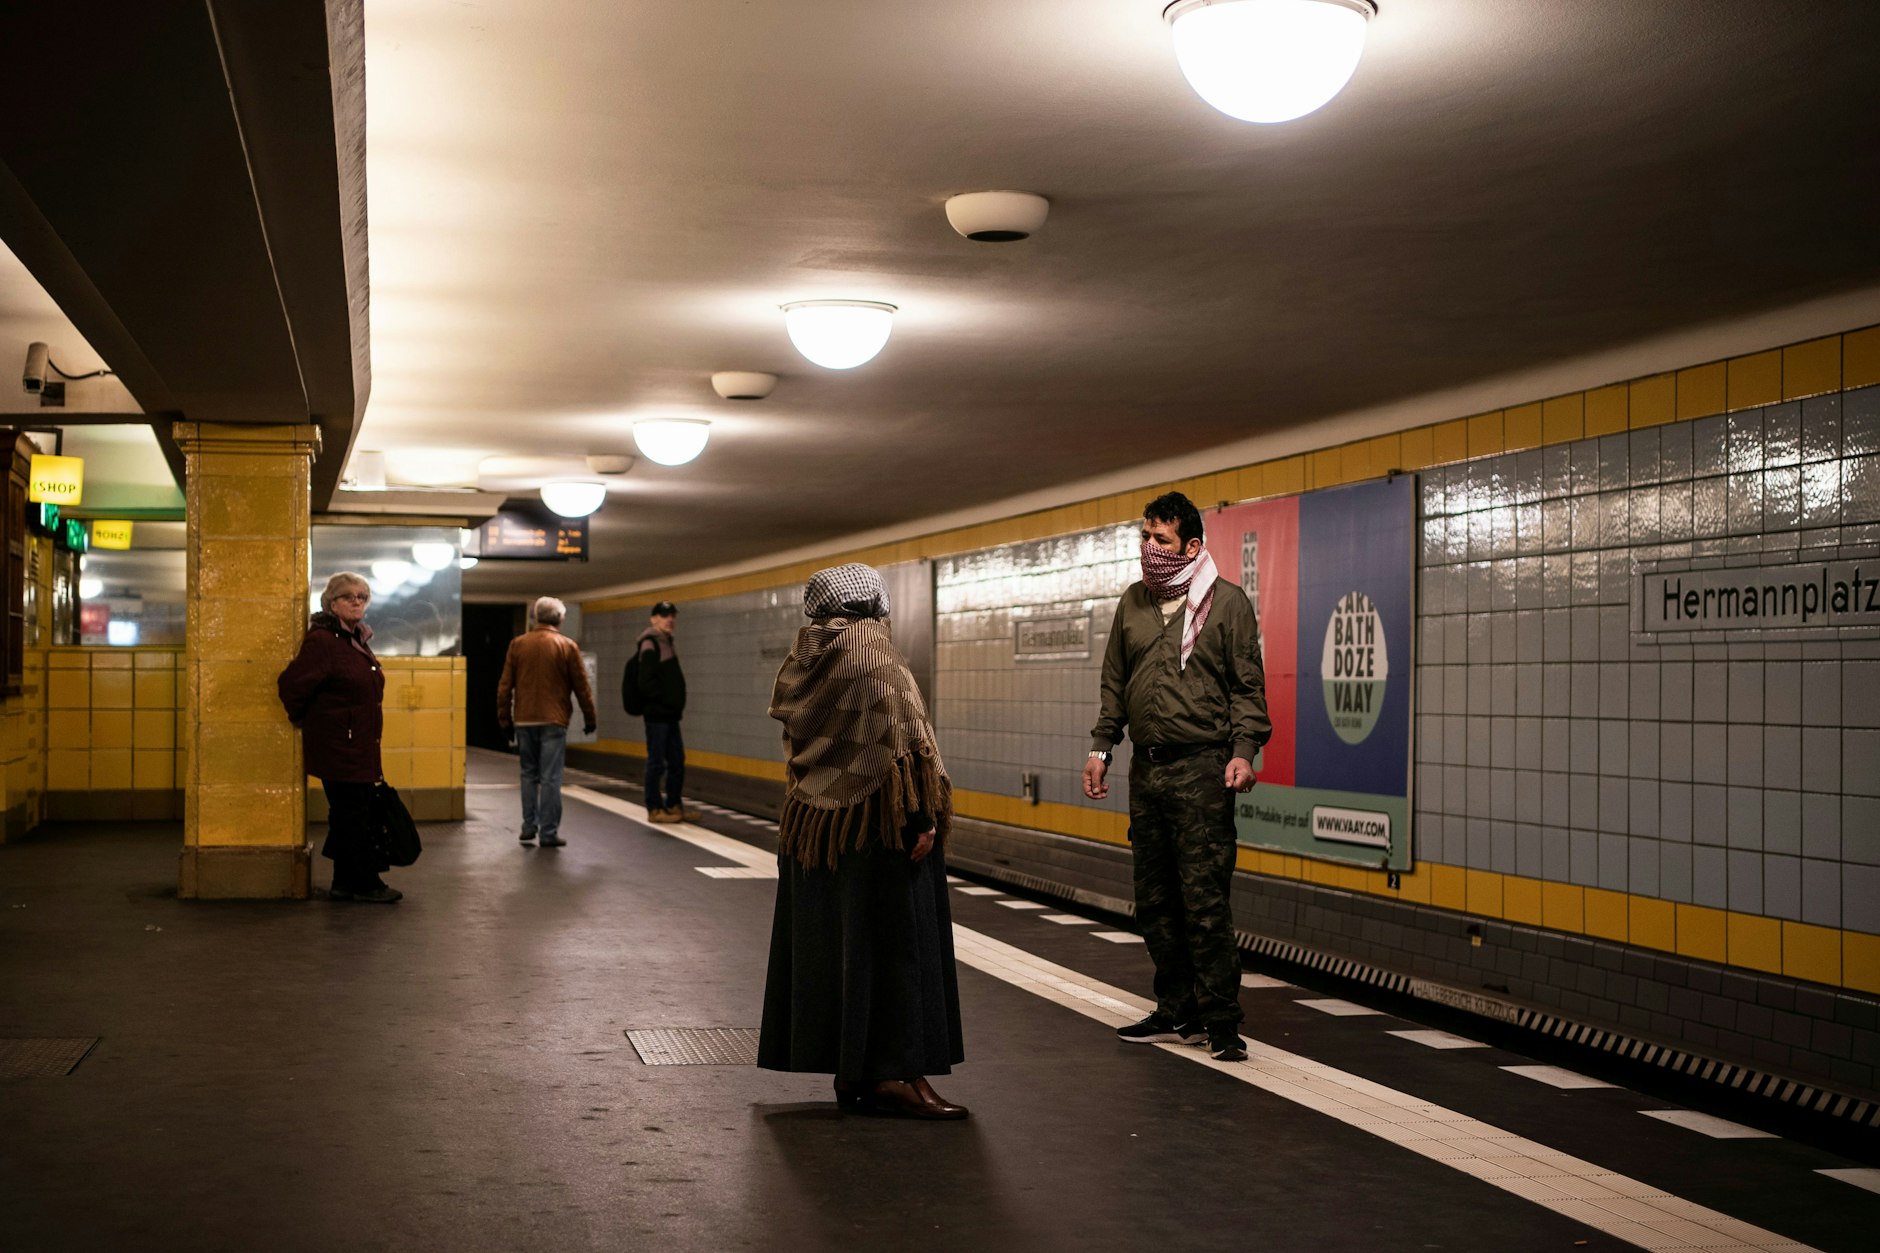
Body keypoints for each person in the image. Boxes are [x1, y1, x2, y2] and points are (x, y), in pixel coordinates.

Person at [757, 564, 967, 1119]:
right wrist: (921, 818)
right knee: (897, 948)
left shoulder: (806, 654)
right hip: (878, 826)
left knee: (842, 949)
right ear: (873, 602)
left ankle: (853, 1074)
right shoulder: (871, 652)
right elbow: (901, 740)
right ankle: (898, 1075)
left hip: (819, 829)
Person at [1083, 491, 1271, 1062]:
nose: (1149, 548)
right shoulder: (1133, 604)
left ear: (1192, 545)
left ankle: (1221, 1022)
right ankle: (1176, 1009)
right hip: (1148, 770)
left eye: (1160, 539)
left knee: (1205, 901)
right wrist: (1102, 748)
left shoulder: (1228, 604)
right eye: (1144, 537)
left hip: (1203, 769)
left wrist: (1244, 751)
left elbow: (1247, 686)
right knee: (1155, 900)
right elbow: (1114, 682)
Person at [277, 572, 399, 903]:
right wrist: (305, 719)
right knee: (354, 814)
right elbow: (292, 684)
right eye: (349, 596)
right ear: (332, 604)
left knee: (348, 814)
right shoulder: (323, 641)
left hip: (356, 743)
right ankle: (366, 883)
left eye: (362, 596)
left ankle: (344, 883)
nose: (357, 601)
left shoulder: (354, 640)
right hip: (339, 745)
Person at [497, 596, 598, 848]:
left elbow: (504, 687)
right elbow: (582, 688)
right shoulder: (566, 645)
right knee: (551, 777)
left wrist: (505, 720)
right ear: (560, 619)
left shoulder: (517, 645)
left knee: (528, 774)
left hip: (524, 720)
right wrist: (590, 717)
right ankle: (549, 832)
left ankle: (528, 825)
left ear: (535, 617)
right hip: (555, 720)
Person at [634, 601, 696, 823]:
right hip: (658, 715)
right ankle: (654, 808)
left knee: (677, 760)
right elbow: (645, 681)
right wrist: (663, 702)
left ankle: (673, 804)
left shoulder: (666, 642)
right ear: (653, 619)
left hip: (669, 715)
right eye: (663, 615)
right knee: (657, 762)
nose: (669, 619)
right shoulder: (650, 643)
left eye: (672, 615)